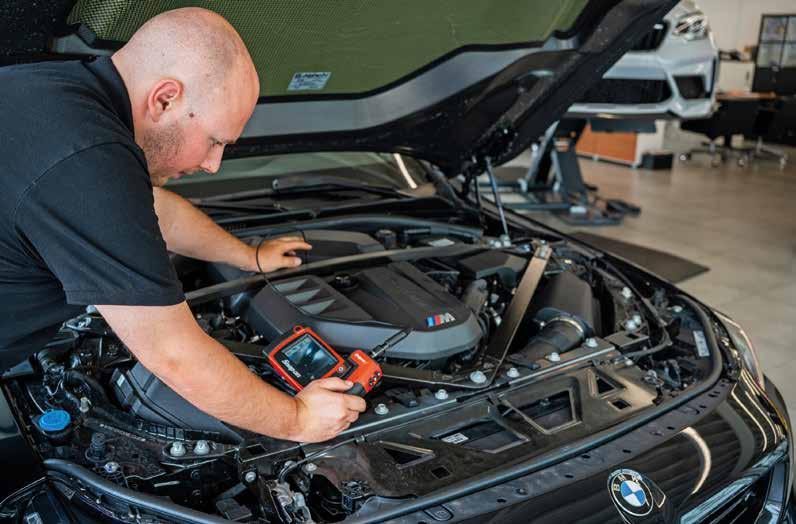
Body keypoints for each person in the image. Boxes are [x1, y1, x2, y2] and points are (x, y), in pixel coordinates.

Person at [0, 7, 366, 442]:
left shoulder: (53, 90)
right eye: (214, 141)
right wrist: (298, 419)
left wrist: (247, 256)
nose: (213, 164)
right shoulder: (87, 161)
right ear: (165, 99)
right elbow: (171, 352)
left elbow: (152, 210)